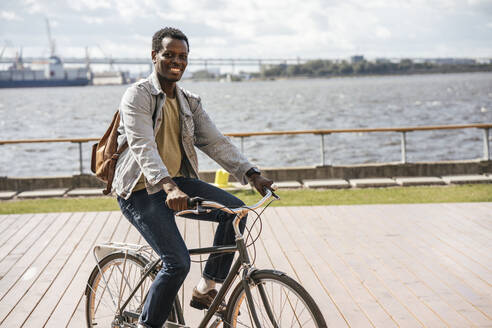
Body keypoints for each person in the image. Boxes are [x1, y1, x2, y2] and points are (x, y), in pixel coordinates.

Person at [112, 27, 273, 328]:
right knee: (177, 263)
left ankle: (206, 289)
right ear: (154, 56)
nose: (177, 61)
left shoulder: (189, 101)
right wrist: (168, 187)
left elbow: (215, 141)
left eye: (182, 56)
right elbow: (142, 146)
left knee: (236, 213)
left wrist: (252, 173)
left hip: (175, 183)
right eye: (169, 55)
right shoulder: (137, 96)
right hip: (139, 190)